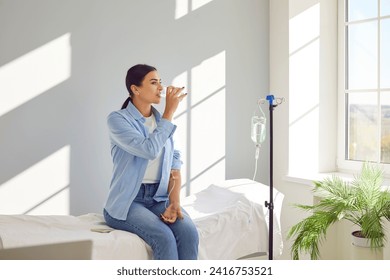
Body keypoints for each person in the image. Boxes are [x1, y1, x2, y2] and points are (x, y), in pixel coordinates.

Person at [103, 64, 199, 260]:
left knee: (189, 233)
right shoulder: (117, 120)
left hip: (159, 197)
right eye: (154, 83)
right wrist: (169, 113)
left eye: (161, 82)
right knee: (164, 236)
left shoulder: (164, 123)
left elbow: (175, 165)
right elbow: (148, 150)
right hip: (128, 201)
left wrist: (174, 203)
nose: (161, 88)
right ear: (135, 89)